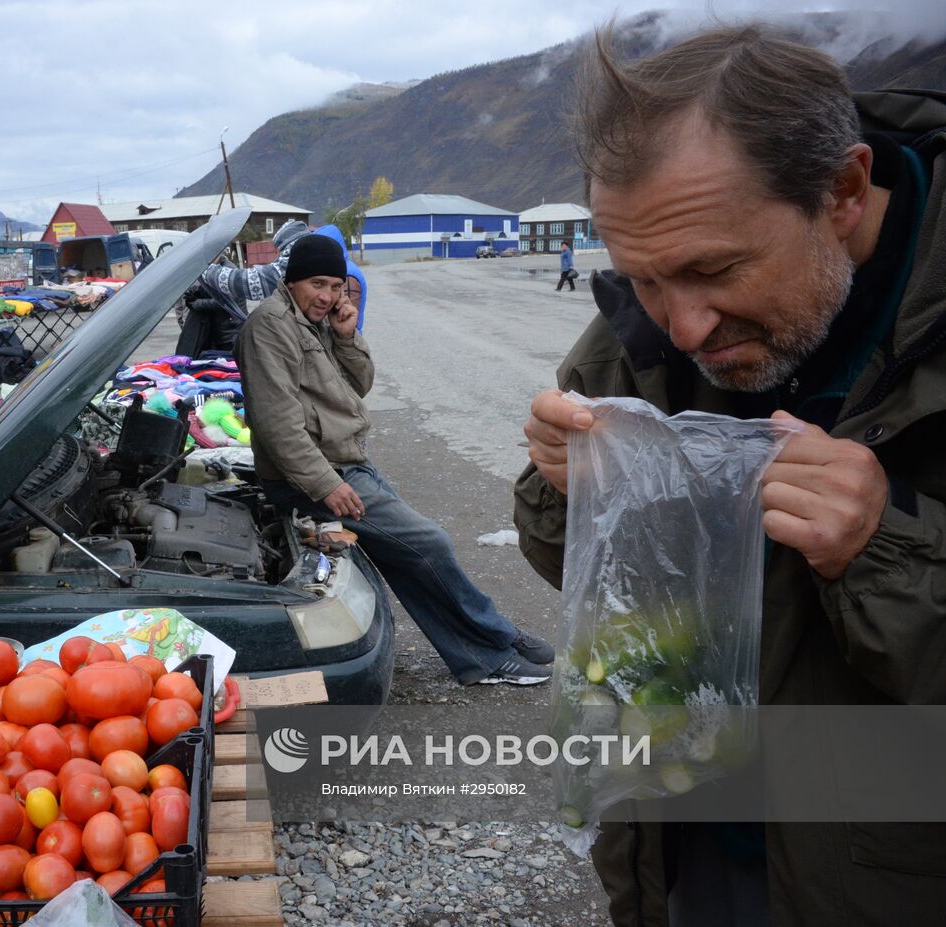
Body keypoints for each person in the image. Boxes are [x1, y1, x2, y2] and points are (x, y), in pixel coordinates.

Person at [513, 25, 945, 927]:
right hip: (687, 845)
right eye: (643, 280)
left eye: (714, 271)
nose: (684, 328)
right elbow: (586, 579)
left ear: (845, 190)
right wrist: (570, 487)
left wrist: (883, 548)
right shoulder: (644, 332)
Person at [238, 234, 555, 686]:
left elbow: (358, 385)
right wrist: (326, 485)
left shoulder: (317, 322)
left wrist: (347, 337)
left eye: (335, 286)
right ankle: (496, 643)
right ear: (291, 282)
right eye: (317, 284)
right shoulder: (270, 328)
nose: (327, 296)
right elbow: (277, 425)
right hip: (314, 478)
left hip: (347, 464)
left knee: (408, 556)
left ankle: (480, 653)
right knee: (429, 543)